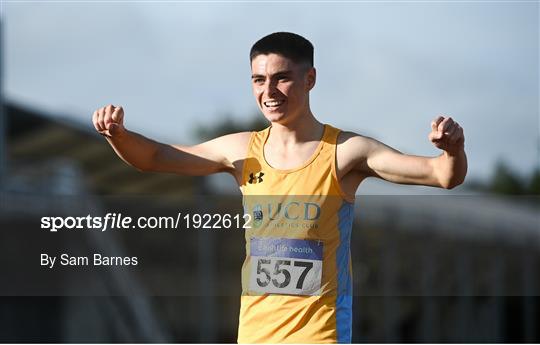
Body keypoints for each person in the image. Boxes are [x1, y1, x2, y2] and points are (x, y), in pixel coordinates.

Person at [92, 32, 467, 343]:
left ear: (310, 79)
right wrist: (118, 135)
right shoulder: (241, 151)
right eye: (258, 79)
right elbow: (155, 157)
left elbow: (441, 176)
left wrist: (453, 150)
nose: (268, 90)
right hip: (255, 335)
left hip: (320, 336)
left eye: (281, 77)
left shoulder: (345, 153)